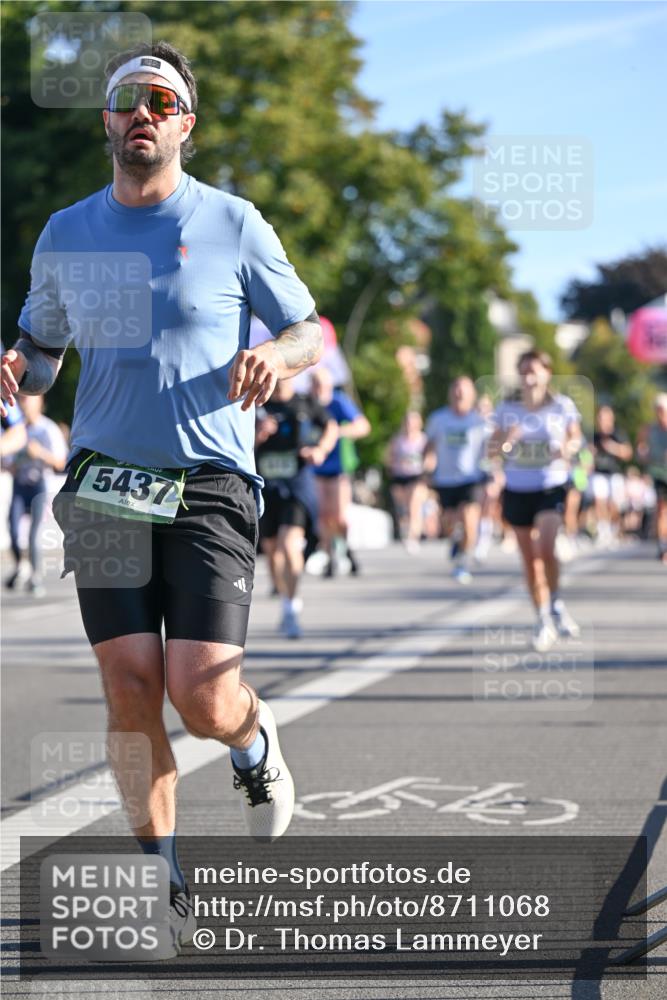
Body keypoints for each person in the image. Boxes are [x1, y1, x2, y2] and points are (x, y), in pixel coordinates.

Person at [0, 41, 323, 951]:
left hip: (212, 482)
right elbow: (44, 351)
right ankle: (163, 881)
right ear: (107, 121)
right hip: (105, 482)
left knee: (199, 695)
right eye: (125, 99)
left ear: (185, 122)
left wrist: (279, 355)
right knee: (129, 683)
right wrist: (20, 367)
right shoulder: (66, 231)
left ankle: (253, 746)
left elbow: (307, 329)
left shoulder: (232, 222)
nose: (141, 112)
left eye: (160, 100)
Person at [489, 350, 582, 651]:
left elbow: (576, 438)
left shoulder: (561, 406)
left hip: (550, 485)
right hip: (517, 488)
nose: (529, 377)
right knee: (529, 560)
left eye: (535, 370)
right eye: (524, 371)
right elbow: (493, 450)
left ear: (547, 373)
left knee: (546, 547)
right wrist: (508, 441)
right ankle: (543, 617)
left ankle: (555, 601)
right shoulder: (506, 409)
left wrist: (566, 447)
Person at [256, 380, 337, 638]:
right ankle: (284, 597)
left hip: (296, 485)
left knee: (289, 544)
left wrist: (320, 449)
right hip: (264, 484)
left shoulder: (305, 402)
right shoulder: (256, 402)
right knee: (271, 549)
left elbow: (331, 427)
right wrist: (257, 435)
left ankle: (290, 607)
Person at [425, 376, 489, 585]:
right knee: (450, 524)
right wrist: (426, 469)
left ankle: (462, 563)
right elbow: (429, 446)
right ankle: (455, 540)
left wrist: (493, 470)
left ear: (472, 395)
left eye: (464, 390)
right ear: (450, 393)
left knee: (470, 522)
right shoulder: (439, 419)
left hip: (471, 478)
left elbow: (490, 451)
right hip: (445, 479)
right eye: (456, 389)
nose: (459, 394)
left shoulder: (479, 421)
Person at [310, 367, 370, 576]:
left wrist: (338, 432)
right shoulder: (308, 404)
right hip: (315, 467)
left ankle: (347, 548)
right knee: (324, 516)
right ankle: (330, 558)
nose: (319, 390)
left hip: (338, 467)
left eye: (323, 385)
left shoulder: (339, 402)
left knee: (339, 517)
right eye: (315, 385)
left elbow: (363, 426)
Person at [5, 394, 67, 596]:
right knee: (13, 531)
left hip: (39, 486)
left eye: (28, 398)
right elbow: (6, 460)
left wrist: (39, 453)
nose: (24, 403)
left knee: (33, 534)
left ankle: (35, 576)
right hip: (19, 483)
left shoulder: (47, 428)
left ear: (39, 401)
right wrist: (11, 463)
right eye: (20, 399)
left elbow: (61, 462)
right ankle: (20, 567)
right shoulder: (15, 430)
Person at [386, 411, 427, 553]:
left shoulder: (423, 440)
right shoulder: (397, 440)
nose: (410, 425)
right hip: (399, 476)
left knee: (414, 506)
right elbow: (389, 457)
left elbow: (429, 458)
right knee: (403, 509)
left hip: (417, 476)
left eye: (413, 422)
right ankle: (405, 532)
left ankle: (413, 537)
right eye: (408, 422)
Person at [591, 405, 632, 547]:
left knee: (614, 505)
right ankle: (603, 531)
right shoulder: (595, 436)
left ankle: (614, 529)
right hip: (599, 474)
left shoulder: (618, 434)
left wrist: (613, 448)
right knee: (599, 501)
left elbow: (628, 453)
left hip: (615, 474)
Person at [637, 393, 667, 563]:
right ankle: (663, 547)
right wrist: (643, 453)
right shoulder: (649, 429)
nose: (661, 413)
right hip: (658, 473)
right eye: (659, 410)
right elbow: (640, 448)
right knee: (661, 510)